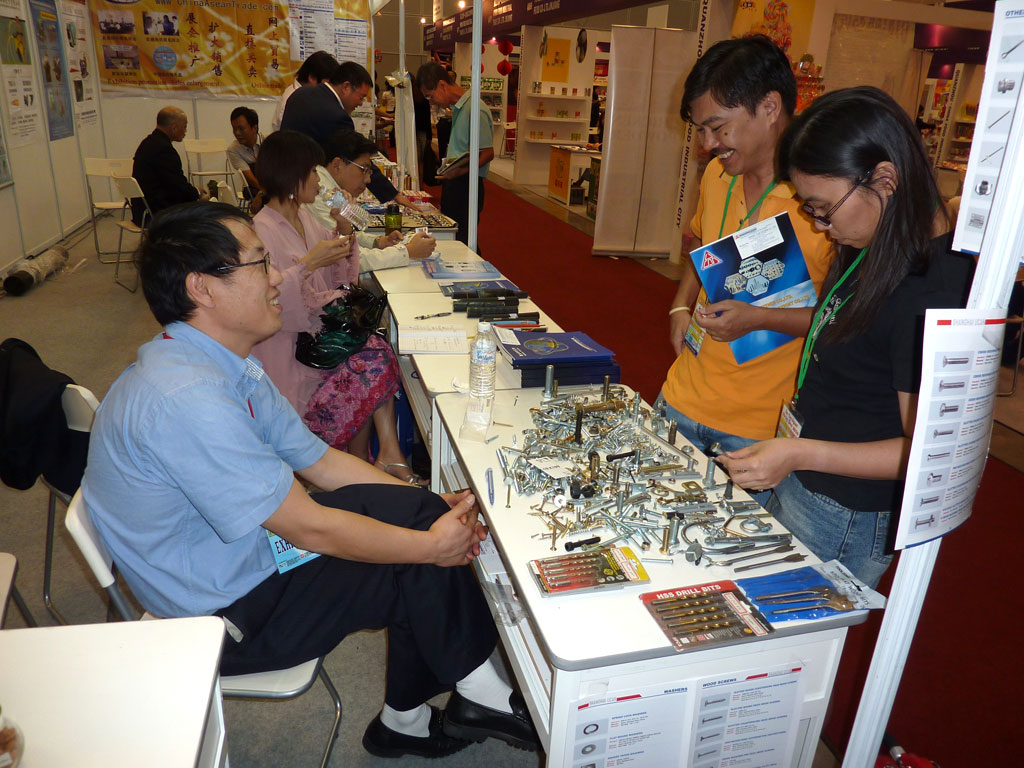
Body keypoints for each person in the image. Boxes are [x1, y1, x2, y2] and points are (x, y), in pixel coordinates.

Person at [81, 201, 538, 758]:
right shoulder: (188, 398)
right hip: (224, 620)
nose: (278, 277)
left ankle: (438, 708)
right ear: (202, 288)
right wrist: (429, 543)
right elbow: (309, 528)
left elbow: (320, 462)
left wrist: (428, 503)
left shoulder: (216, 363)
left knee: (418, 517)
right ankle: (456, 702)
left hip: (245, 562)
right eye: (259, 264)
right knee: (418, 554)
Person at [717, 87, 975, 587]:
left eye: (823, 208)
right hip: (808, 477)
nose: (821, 226)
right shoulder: (875, 237)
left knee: (786, 625)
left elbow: (923, 453)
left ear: (884, 179)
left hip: (847, 510)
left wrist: (799, 453)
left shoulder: (932, 291)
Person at [658, 36, 831, 505]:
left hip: (756, 430)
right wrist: (679, 305)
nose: (707, 144)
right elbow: (702, 247)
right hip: (681, 398)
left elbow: (841, 319)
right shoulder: (718, 177)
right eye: (700, 130)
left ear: (770, 107)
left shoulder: (822, 200)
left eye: (718, 127)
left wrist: (759, 319)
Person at [251, 131, 425, 485]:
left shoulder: (305, 218)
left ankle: (376, 459)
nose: (319, 181)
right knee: (372, 358)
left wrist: (344, 235)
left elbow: (340, 282)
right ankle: (374, 460)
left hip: (319, 341)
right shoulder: (262, 232)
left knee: (374, 350)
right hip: (292, 355)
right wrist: (308, 266)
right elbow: (271, 305)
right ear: (292, 176)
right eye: (312, 173)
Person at [281, 60, 415, 210]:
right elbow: (357, 157)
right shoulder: (336, 115)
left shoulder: (302, 93)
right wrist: (393, 194)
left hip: (282, 177)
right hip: (304, 187)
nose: (361, 103)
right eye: (361, 97)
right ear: (345, 87)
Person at [306, 129, 435, 272]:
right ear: (337, 165)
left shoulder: (329, 190)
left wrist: (377, 242)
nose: (368, 180)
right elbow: (351, 258)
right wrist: (407, 251)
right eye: (364, 170)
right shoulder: (318, 195)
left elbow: (345, 238)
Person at [416, 62, 494, 246]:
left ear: (442, 85)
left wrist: (460, 171)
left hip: (466, 185)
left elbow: (488, 153)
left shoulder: (475, 108)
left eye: (430, 95)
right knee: (453, 236)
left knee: (463, 240)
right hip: (455, 181)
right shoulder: (460, 108)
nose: (431, 102)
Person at [132, 106, 206, 220]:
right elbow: (179, 187)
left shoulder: (147, 143)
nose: (185, 131)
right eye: (184, 127)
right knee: (207, 209)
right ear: (174, 127)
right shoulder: (164, 150)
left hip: (142, 211)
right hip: (158, 213)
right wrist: (197, 192)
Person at [271, 50, 337, 132]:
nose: (329, 89)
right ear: (312, 78)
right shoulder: (293, 98)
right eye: (327, 84)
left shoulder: (309, 95)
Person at [227, 106, 263, 209]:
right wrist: (264, 192)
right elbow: (250, 179)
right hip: (255, 186)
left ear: (254, 128)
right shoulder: (233, 149)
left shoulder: (268, 142)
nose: (237, 133)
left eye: (241, 128)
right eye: (234, 129)